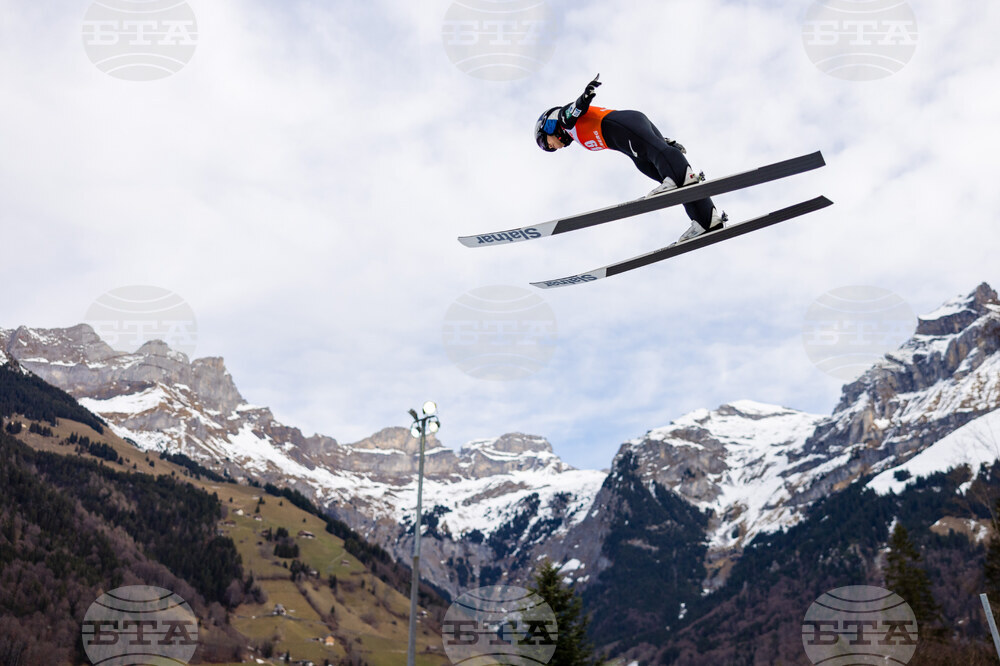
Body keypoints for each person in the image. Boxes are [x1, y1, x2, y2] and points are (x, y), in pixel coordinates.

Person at [534, 74, 726, 243]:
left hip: (623, 126)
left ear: (547, 125)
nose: (549, 147)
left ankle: (678, 175)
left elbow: (571, 112)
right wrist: (663, 143)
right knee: (658, 173)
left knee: (671, 174)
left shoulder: (564, 119)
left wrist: (583, 98)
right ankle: (706, 220)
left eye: (544, 143)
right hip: (628, 138)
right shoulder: (574, 134)